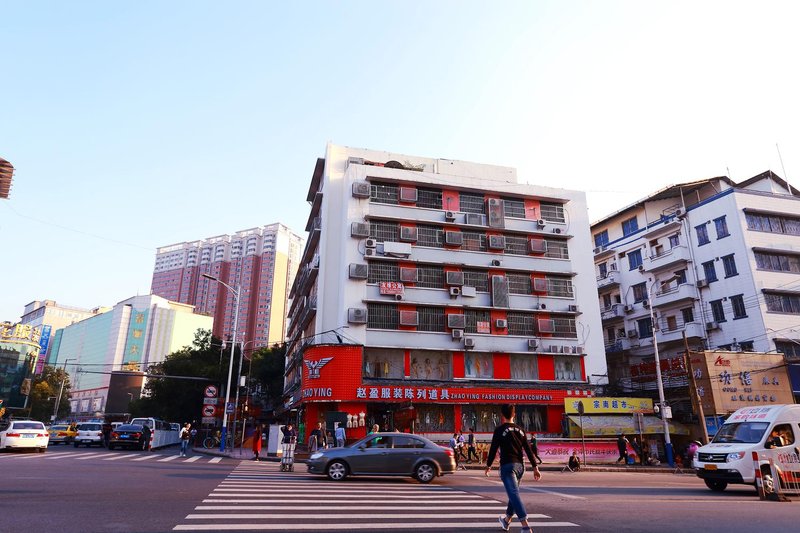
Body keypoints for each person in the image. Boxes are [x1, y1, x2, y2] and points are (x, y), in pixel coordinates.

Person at [485, 404, 541, 533]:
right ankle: (506, 521)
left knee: (514, 494)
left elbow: (493, 449)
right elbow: (528, 449)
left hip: (507, 467)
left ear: (502, 415)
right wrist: (535, 467)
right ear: (514, 414)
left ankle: (525, 526)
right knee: (513, 494)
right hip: (520, 467)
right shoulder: (520, 430)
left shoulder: (499, 430)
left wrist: (488, 466)